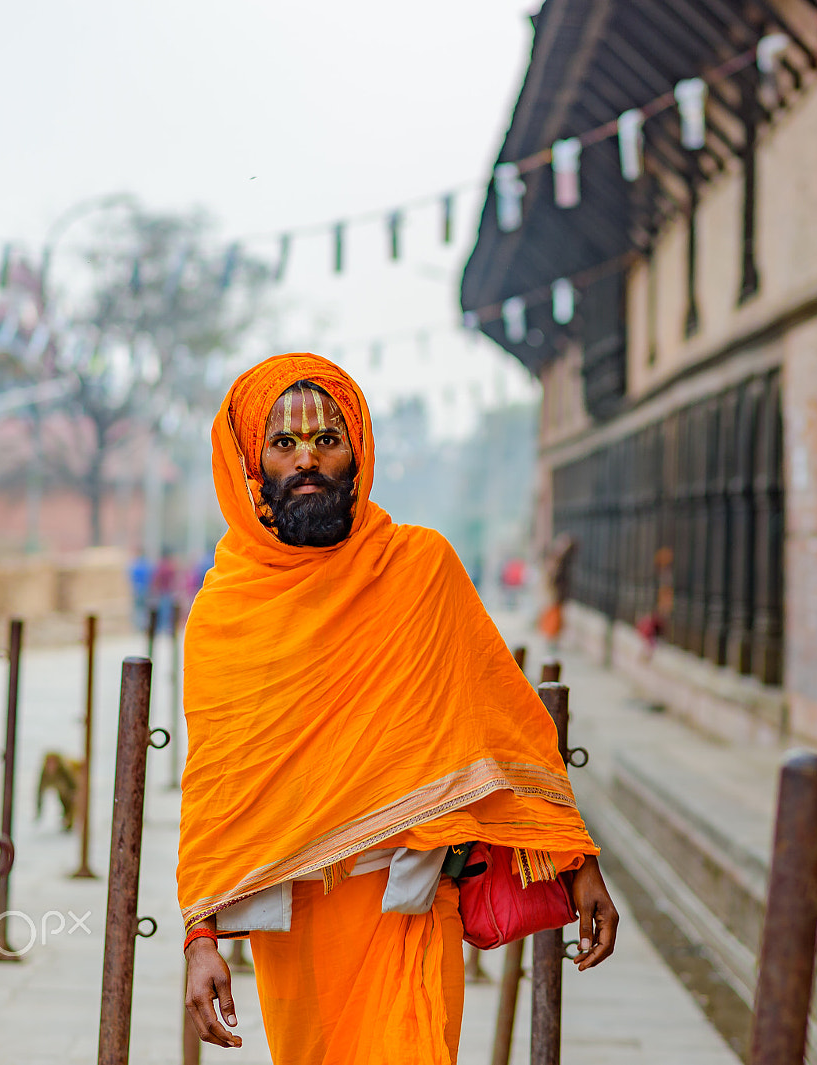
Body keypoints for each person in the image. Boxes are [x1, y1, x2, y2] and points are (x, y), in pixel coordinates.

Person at [178, 353, 618, 1064]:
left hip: (412, 904)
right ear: (250, 463)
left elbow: (506, 723)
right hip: (299, 931)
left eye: (328, 438)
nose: (309, 460)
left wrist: (577, 859)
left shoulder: (421, 568)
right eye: (283, 443)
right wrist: (200, 938)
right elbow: (215, 790)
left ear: (359, 448)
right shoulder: (226, 613)